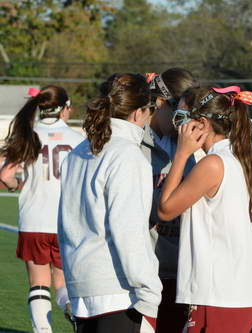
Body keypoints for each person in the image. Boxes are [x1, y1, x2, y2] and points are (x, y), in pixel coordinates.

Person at [158, 86, 252, 333]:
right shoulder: (242, 157)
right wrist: (249, 274)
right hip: (236, 295)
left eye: (181, 119)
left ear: (201, 123)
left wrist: (181, 155)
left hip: (216, 296)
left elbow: (166, 209)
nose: (176, 127)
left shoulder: (213, 163)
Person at [57, 73, 162, 333]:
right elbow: (128, 232)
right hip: (119, 292)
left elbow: (64, 224)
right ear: (139, 112)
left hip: (83, 285)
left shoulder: (80, 151)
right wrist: (149, 292)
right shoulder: (127, 154)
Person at [0, 85, 84, 332]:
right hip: (66, 223)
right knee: (62, 284)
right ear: (64, 109)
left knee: (38, 284)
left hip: (34, 221)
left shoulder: (28, 137)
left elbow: (5, 176)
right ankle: (77, 319)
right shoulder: (78, 140)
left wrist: (21, 183)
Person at [142, 68, 198, 333]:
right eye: (179, 114)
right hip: (144, 273)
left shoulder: (190, 143)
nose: (183, 124)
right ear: (161, 103)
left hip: (183, 274)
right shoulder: (135, 142)